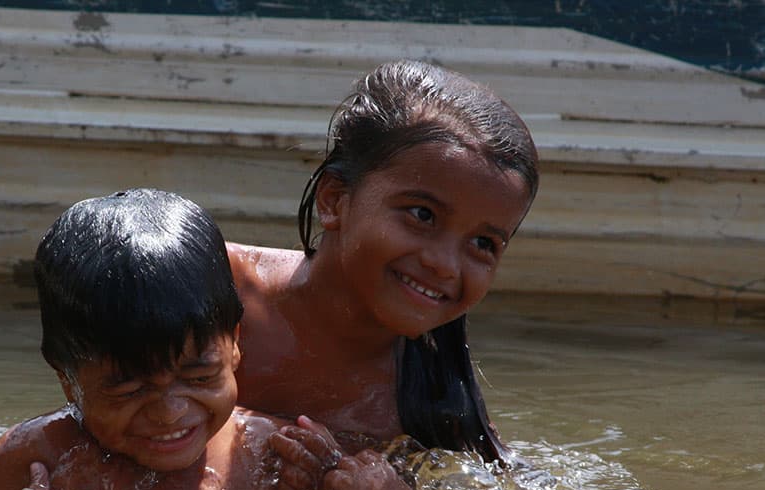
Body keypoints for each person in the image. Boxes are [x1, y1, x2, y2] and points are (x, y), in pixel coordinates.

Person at [0, 188, 412, 490]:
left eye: (200, 375)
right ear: (68, 381)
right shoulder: (44, 454)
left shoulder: (274, 454)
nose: (170, 411)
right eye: (130, 389)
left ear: (235, 344)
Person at [226, 60, 540, 465]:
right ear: (334, 200)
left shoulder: (437, 409)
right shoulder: (213, 290)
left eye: (483, 243)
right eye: (423, 215)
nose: (445, 265)